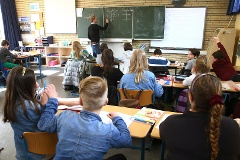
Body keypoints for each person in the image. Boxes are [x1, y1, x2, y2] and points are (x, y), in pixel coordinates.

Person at [38, 76, 132, 159]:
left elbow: (43, 124)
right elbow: (127, 140)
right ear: (106, 102)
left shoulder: (64, 116)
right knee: (120, 157)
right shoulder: (108, 131)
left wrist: (53, 101)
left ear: (80, 101)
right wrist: (117, 119)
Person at [160, 74, 240, 159]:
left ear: (190, 97)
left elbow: (163, 136)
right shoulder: (232, 127)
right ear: (220, 98)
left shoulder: (170, 124)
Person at [2, 66, 52, 159]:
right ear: (25, 87)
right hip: (38, 153)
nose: (37, 85)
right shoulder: (28, 108)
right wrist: (47, 105)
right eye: (34, 83)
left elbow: (33, 97)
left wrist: (38, 96)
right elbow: (47, 125)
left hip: (23, 152)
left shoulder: (13, 102)